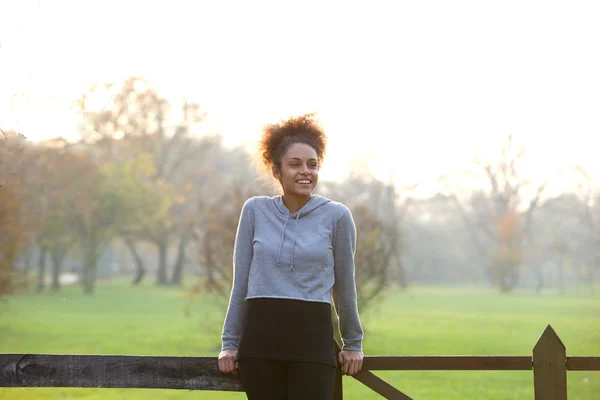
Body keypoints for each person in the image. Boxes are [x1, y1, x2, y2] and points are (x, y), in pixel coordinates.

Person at [218, 113, 364, 400]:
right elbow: (241, 282)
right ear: (276, 170)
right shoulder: (255, 211)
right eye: (295, 164)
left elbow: (345, 286)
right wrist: (229, 342)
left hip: (312, 341)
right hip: (260, 343)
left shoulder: (337, 217)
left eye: (312, 165)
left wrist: (353, 343)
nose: (305, 172)